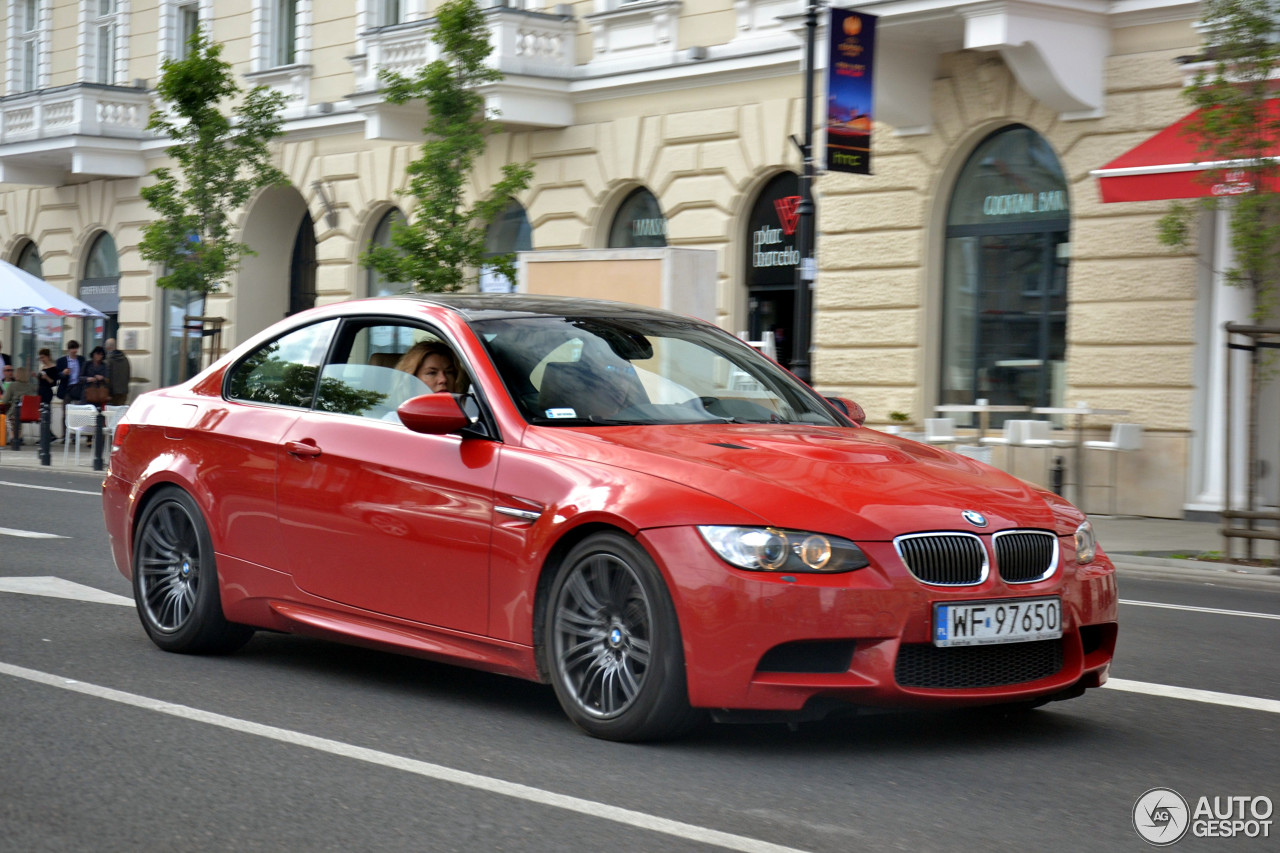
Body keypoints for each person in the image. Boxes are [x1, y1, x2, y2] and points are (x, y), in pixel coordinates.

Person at [394, 341, 458, 393]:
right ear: (412, 380)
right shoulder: (400, 408)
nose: (443, 379)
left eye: (449, 372)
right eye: (432, 373)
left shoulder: (465, 407)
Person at [104, 337, 131, 406]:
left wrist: (107, 391)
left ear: (107, 347)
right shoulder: (125, 358)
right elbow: (128, 375)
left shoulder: (108, 360)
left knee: (111, 414)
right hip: (123, 391)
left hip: (112, 393)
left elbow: (107, 377)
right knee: (120, 412)